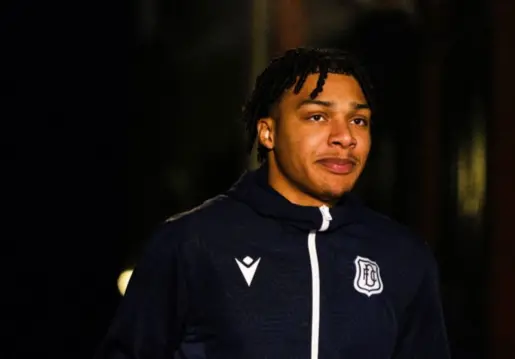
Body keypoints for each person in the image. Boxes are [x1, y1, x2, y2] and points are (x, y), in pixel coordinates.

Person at [95, 47, 450, 359]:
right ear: (268, 132)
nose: (345, 137)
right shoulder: (191, 243)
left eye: (359, 120)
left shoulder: (402, 255)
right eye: (318, 116)